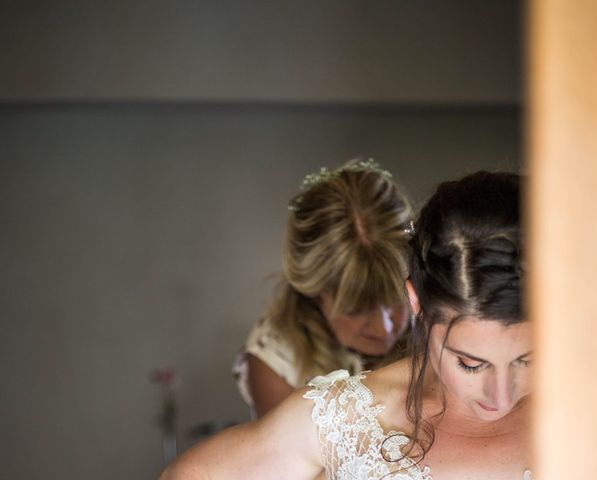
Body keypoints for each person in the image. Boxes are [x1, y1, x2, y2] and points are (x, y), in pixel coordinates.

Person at [160, 171, 531, 480]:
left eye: (528, 359)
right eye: (470, 363)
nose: (500, 397)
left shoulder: (587, 402)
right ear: (418, 302)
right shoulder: (346, 417)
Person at [233, 158, 415, 417]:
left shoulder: (440, 329)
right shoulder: (275, 359)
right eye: (357, 308)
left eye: (397, 299)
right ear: (316, 293)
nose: (384, 327)